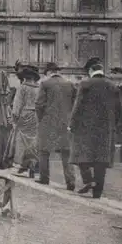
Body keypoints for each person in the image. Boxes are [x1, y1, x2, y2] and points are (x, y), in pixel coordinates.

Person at [68, 57, 122, 199]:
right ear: (102, 71)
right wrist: (113, 125)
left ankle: (88, 180)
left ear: (91, 71)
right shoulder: (113, 86)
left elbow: (77, 106)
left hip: (86, 128)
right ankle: (97, 193)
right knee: (101, 161)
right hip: (105, 129)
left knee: (80, 154)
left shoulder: (85, 84)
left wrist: (72, 124)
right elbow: (119, 110)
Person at [35, 62, 76, 190]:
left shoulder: (45, 84)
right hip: (65, 123)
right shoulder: (70, 84)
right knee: (66, 152)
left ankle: (44, 178)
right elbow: (75, 105)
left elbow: (39, 104)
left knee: (43, 151)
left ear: (49, 72)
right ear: (58, 71)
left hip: (48, 122)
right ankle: (70, 181)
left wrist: (42, 119)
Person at [11, 66, 40, 178]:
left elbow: (17, 105)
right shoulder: (39, 88)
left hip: (25, 115)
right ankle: (33, 167)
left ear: (25, 78)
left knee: (21, 141)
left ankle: (20, 166)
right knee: (33, 142)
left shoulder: (22, 88)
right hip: (36, 116)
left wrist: (14, 119)